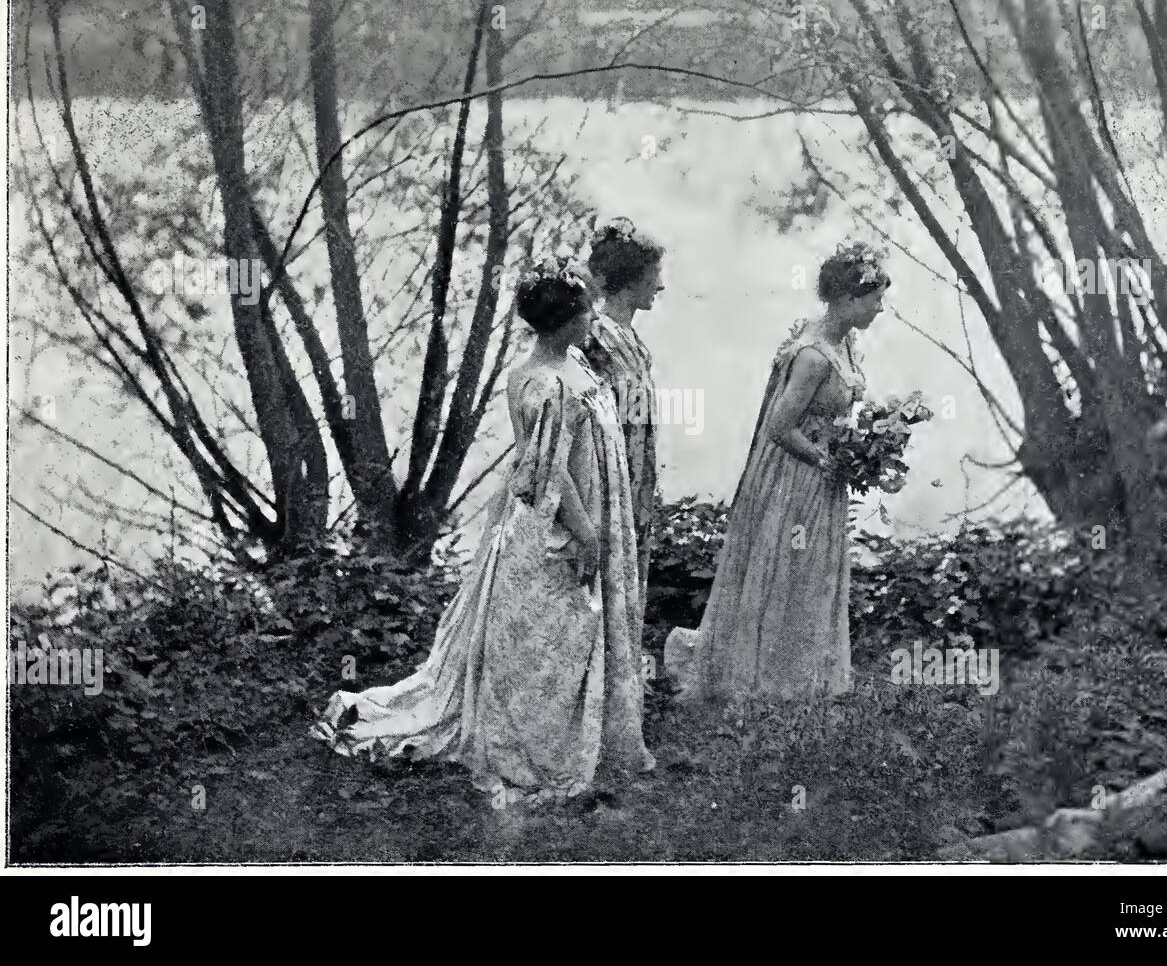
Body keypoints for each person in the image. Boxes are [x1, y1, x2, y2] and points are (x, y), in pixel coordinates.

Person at [312, 256, 654, 801]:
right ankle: (540, 745)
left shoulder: (570, 366)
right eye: (587, 310)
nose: (594, 319)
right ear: (566, 320)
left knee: (575, 633)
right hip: (560, 521)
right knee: (553, 639)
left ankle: (596, 732)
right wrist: (587, 533)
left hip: (589, 504)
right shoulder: (541, 380)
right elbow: (548, 473)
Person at [665, 241, 890, 702]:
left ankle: (798, 675)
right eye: (875, 300)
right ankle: (766, 681)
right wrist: (829, 461)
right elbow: (779, 426)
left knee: (811, 574)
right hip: (796, 476)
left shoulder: (844, 340)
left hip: (821, 475)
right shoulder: (813, 357)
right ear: (848, 300)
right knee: (789, 569)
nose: (880, 308)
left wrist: (871, 439)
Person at [582, 216, 666, 630]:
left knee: (633, 561)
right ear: (631, 281)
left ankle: (621, 669)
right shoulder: (594, 336)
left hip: (637, 471)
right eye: (654, 276)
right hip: (604, 473)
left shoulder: (633, 339)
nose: (660, 286)